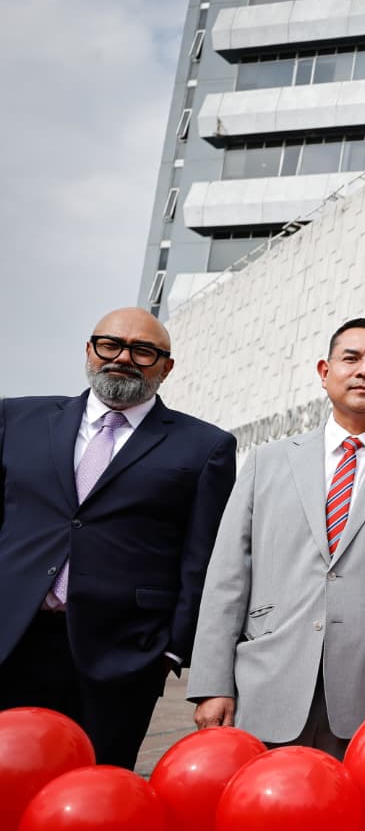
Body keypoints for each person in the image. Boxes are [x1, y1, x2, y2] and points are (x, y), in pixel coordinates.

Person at [187, 318, 365, 759]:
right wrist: (212, 682)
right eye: (351, 358)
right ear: (324, 371)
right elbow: (228, 575)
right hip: (265, 681)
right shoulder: (266, 462)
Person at [0, 308, 236, 769]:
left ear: (167, 366)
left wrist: (171, 649)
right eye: (110, 345)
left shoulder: (205, 446)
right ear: (89, 351)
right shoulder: (16, 419)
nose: (123, 358)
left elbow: (201, 557)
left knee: (95, 784)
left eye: (143, 351)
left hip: (122, 655)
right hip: (11, 635)